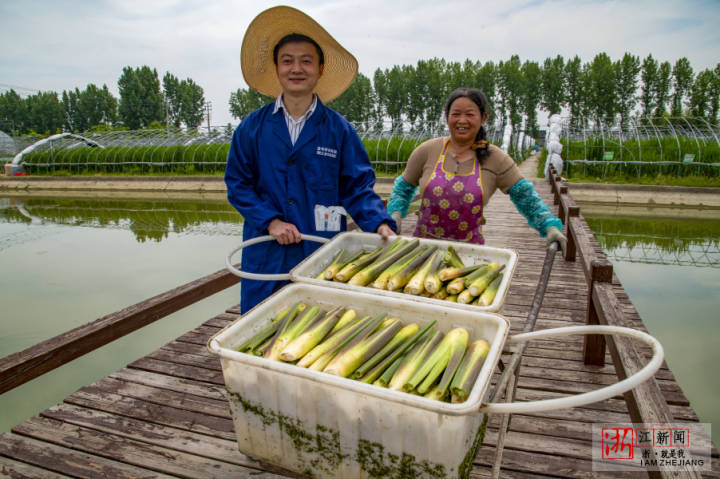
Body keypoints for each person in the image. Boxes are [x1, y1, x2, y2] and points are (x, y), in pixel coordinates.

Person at [225, 6, 396, 313]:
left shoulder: (339, 131)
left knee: (319, 330)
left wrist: (380, 223)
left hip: (321, 250)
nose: (296, 68)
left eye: (306, 61)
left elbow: (357, 187)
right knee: (260, 326)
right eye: (287, 60)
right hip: (266, 253)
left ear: (320, 69)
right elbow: (238, 185)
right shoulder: (252, 128)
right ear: (277, 68)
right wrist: (271, 221)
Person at [387, 87, 566, 252]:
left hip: (469, 254)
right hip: (422, 249)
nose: (462, 120)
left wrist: (549, 226)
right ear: (447, 117)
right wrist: (395, 214)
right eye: (455, 114)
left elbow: (526, 197)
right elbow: (403, 187)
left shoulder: (496, 158)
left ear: (483, 118)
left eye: (470, 114)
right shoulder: (427, 151)